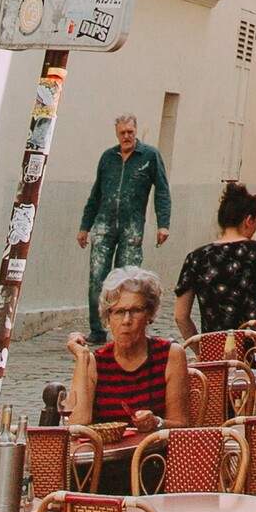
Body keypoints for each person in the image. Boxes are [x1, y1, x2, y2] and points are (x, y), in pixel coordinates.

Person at [77, 113, 172, 346]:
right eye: (122, 133)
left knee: (128, 280)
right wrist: (84, 226)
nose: (126, 136)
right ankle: (98, 330)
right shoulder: (107, 158)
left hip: (132, 227)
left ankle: (125, 329)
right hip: (104, 224)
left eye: (130, 132)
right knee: (97, 278)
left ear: (136, 131)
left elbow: (161, 190)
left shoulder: (149, 156)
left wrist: (163, 224)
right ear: (117, 133)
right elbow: (96, 194)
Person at [66, 265, 184, 431]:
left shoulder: (169, 355)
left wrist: (157, 422)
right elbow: (77, 424)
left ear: (149, 314)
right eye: (119, 312)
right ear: (108, 318)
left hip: (153, 454)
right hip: (106, 454)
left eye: (136, 310)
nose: (127, 320)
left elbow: (182, 425)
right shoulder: (96, 362)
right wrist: (82, 358)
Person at [173, 181, 256, 337]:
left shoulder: (196, 258)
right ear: (248, 220)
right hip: (253, 347)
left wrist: (202, 350)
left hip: (214, 349)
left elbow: (180, 316)